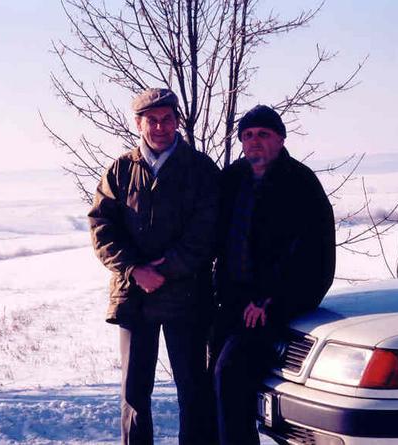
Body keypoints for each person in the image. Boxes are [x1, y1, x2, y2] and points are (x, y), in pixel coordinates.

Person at [88, 88, 219, 445]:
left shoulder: (200, 169)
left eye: (167, 119)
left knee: (193, 390)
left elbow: (208, 230)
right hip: (134, 298)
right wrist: (134, 270)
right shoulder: (120, 169)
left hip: (187, 297)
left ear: (178, 121)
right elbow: (102, 227)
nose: (160, 127)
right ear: (138, 123)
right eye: (152, 120)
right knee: (134, 393)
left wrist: (167, 269)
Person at [212, 104, 336, 445]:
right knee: (211, 378)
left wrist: (270, 299)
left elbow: (312, 255)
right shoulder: (233, 179)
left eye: (263, 135)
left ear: (280, 139)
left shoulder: (300, 184)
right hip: (233, 300)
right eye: (248, 136)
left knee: (231, 372)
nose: (254, 142)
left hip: (275, 304)